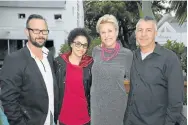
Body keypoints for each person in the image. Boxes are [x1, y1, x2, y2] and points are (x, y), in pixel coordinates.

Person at [124, 16, 184, 125]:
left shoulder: (169, 59)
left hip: (157, 121)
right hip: (132, 121)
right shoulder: (132, 57)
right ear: (136, 33)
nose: (143, 34)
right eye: (140, 30)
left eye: (149, 30)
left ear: (156, 33)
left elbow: (176, 101)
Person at [0, 14, 58, 125]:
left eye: (44, 31)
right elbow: (8, 99)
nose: (41, 35)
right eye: (36, 30)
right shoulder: (14, 60)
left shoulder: (49, 56)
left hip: (50, 120)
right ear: (27, 32)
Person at [90, 14, 133, 125]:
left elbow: (134, 83)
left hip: (117, 108)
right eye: (103, 32)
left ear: (116, 32)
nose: (106, 35)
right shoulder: (95, 51)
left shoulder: (127, 54)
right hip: (96, 108)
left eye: (110, 31)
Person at [54, 28, 93, 125]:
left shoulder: (90, 64)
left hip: (84, 117)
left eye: (84, 45)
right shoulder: (59, 63)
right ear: (71, 44)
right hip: (64, 117)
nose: (81, 48)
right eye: (78, 44)